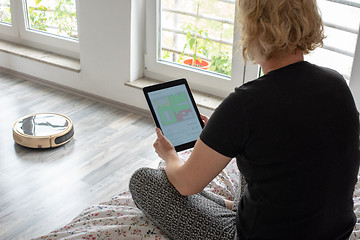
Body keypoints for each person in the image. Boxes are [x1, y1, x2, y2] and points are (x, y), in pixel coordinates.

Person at [129, 0, 360, 239]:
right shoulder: (336, 84)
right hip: (336, 233)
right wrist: (223, 134)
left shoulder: (245, 104)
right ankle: (230, 205)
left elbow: (186, 185)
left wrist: (170, 155)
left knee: (145, 179)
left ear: (253, 30)